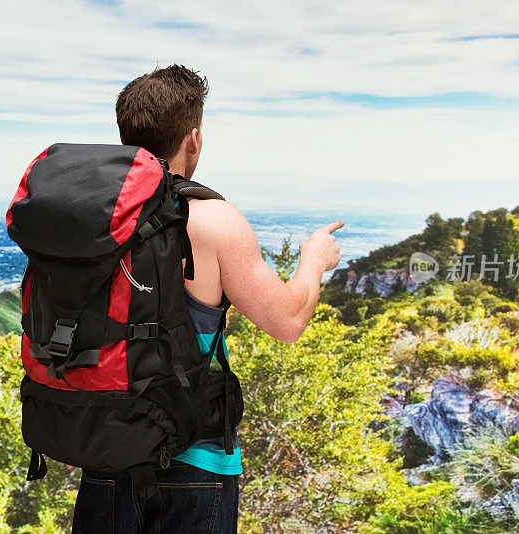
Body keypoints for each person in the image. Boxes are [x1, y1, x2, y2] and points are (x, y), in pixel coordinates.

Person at [71, 64, 343, 534]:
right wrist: (313, 260)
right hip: (195, 463)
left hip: (105, 455)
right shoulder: (213, 220)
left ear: (126, 138)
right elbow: (288, 322)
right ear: (193, 138)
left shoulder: (90, 219)